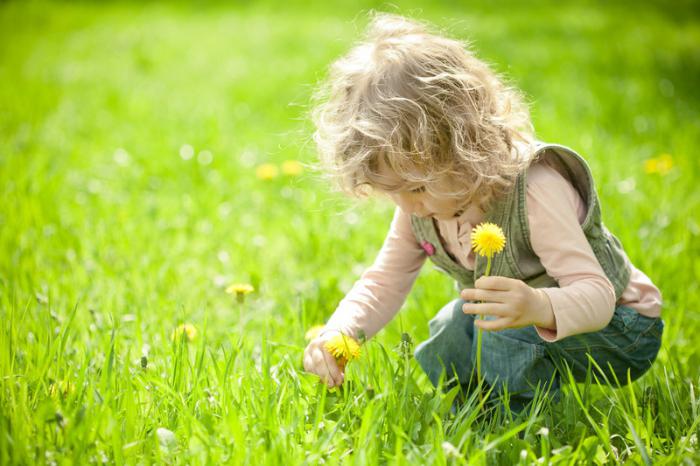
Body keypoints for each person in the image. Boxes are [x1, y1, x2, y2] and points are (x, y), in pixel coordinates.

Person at [302, 13, 663, 408]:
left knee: (500, 327)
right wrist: (340, 331)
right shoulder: (418, 207)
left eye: (418, 187)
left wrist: (538, 306)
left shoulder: (536, 189)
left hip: (621, 328)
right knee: (452, 325)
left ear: (466, 148)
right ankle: (469, 402)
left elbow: (598, 295)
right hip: (535, 316)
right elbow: (383, 282)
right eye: (394, 193)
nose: (408, 206)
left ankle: (515, 420)